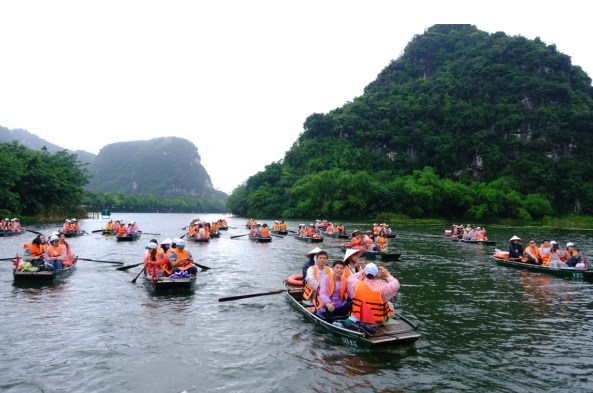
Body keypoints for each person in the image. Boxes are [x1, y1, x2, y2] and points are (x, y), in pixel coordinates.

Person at [343, 262, 400, 334]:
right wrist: (387, 274)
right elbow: (396, 284)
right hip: (377, 321)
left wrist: (361, 272)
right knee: (390, 304)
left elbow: (350, 278)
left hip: (360, 318)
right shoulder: (383, 288)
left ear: (365, 274)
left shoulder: (356, 284)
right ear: (377, 275)